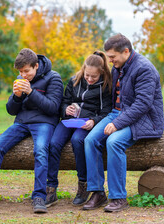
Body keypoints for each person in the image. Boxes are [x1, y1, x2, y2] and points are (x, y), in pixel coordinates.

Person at [0, 48, 63, 213]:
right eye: (20, 72)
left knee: (41, 150)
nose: (23, 75)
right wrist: (16, 96)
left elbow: (53, 108)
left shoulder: (54, 78)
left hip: (44, 122)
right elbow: (11, 110)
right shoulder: (20, 79)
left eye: (26, 71)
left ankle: (39, 196)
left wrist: (31, 92)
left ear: (36, 66)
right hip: (22, 123)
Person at [82, 34, 164, 212]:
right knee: (90, 140)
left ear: (126, 51)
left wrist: (117, 124)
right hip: (118, 113)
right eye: (109, 57)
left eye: (112, 57)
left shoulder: (144, 69)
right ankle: (97, 192)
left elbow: (142, 104)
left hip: (144, 119)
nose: (110, 61)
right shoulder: (118, 67)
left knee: (114, 141)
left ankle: (118, 197)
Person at [45, 51, 112, 208]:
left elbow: (106, 112)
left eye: (93, 77)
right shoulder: (74, 81)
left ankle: (83, 184)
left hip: (86, 123)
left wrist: (94, 121)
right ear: (83, 69)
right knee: (53, 143)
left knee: (77, 140)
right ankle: (51, 187)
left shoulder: (105, 86)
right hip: (69, 121)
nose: (89, 79)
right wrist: (65, 109)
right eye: (87, 75)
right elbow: (63, 102)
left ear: (101, 73)